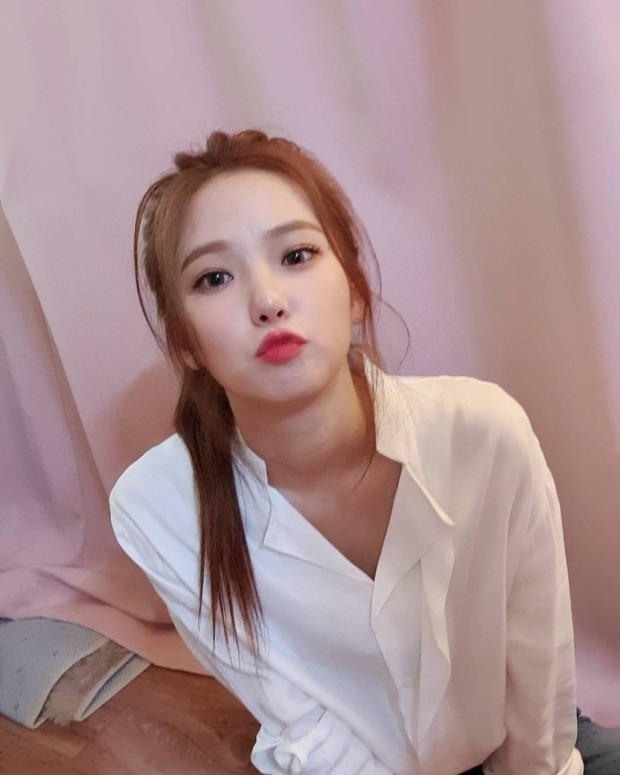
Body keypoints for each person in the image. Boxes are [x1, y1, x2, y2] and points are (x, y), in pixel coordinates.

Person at [110, 129, 613, 774]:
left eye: (296, 255)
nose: (267, 301)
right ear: (184, 342)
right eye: (214, 277)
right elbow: (304, 726)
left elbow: (537, 672)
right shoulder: (158, 508)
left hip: (520, 747)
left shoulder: (484, 435)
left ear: (352, 288)